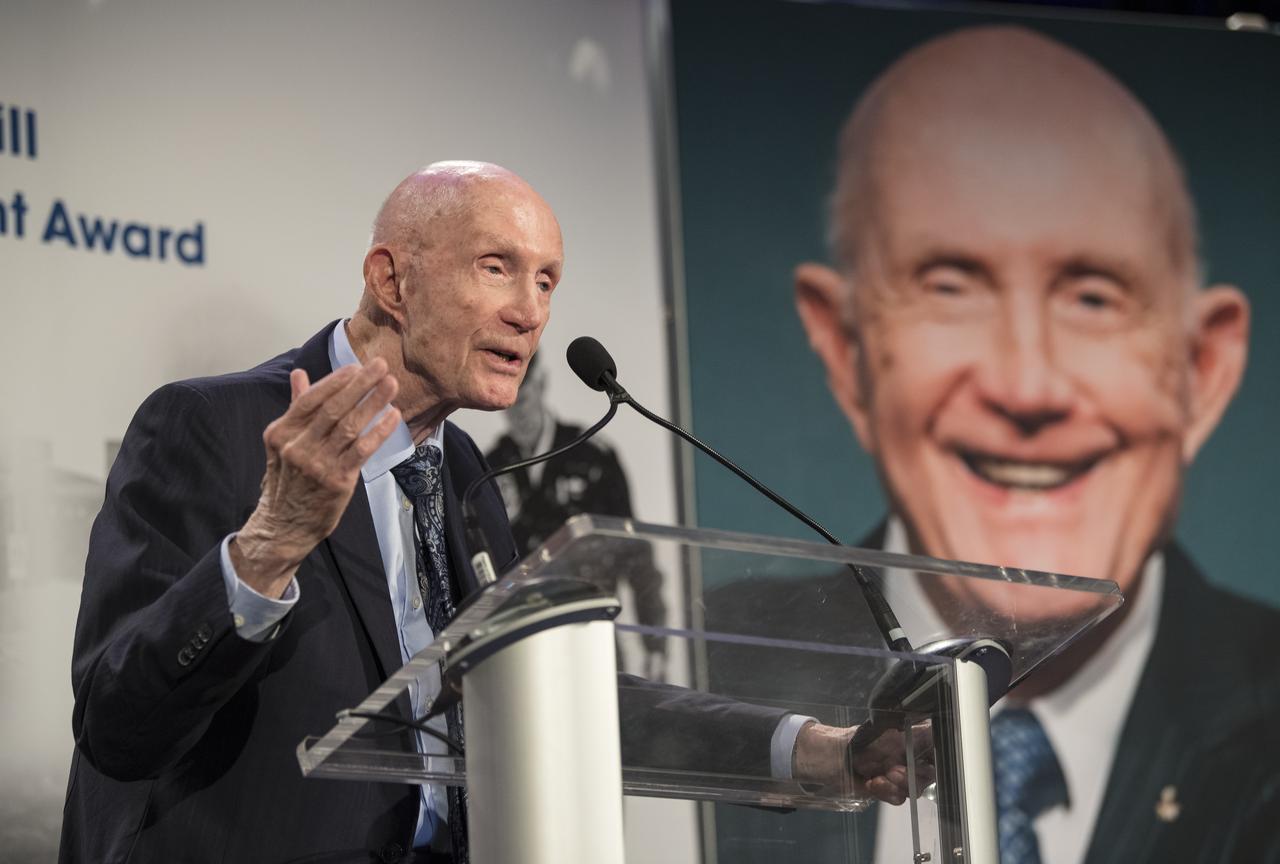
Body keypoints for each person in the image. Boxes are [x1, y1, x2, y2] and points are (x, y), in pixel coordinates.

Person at [60, 161, 916, 864]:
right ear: (391, 279)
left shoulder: (462, 473)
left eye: (547, 280)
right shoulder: (213, 428)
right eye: (497, 268)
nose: (531, 312)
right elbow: (116, 726)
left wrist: (815, 750)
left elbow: (542, 698)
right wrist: (267, 548)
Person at [788, 25, 1280, 864]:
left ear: (1204, 366)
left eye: (1094, 296)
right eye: (950, 285)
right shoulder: (717, 680)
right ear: (846, 349)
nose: (1027, 387)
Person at [485, 353, 669, 679]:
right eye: (509, 407)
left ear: (540, 386)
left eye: (523, 399)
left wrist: (655, 641)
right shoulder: (491, 468)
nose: (518, 415)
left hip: (590, 630)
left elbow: (636, 555)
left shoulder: (591, 455)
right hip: (522, 639)